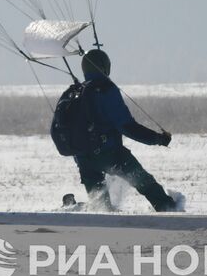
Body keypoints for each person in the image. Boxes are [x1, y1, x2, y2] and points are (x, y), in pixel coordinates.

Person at [69, 49, 179, 212]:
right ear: (105, 67)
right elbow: (128, 127)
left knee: (101, 209)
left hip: (83, 159)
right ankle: (168, 208)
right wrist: (157, 139)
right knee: (144, 181)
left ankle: (74, 208)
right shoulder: (106, 90)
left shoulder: (75, 93)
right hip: (110, 154)